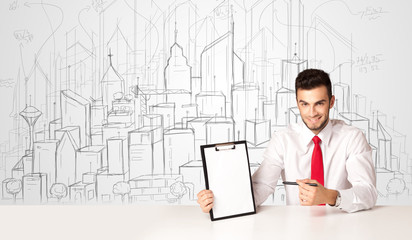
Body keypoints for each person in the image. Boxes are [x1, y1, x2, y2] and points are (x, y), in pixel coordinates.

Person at [197, 69, 377, 213]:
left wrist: (330, 196)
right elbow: (261, 186)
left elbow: (368, 192)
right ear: (297, 103)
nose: (312, 113)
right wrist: (219, 202)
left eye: (319, 103)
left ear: (331, 102)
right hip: (296, 229)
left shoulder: (352, 137)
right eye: (304, 104)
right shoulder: (283, 139)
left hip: (342, 227)